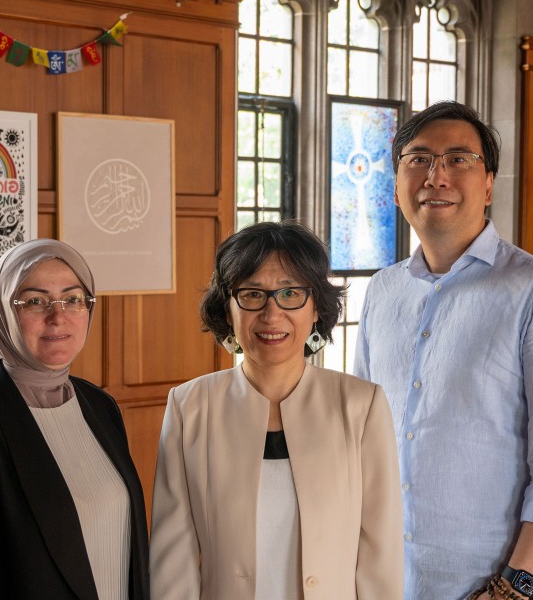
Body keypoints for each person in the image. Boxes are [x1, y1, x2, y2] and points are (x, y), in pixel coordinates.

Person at [354, 101, 533, 600]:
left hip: (497, 589)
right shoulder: (382, 291)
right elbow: (362, 440)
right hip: (389, 583)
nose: (435, 176)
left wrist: (512, 588)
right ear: (396, 182)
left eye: (458, 159)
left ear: (488, 184)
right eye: (418, 159)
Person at [149, 221, 403, 600]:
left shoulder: (361, 406)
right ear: (228, 308)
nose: (271, 313)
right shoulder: (190, 407)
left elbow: (380, 554)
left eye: (290, 293)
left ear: (316, 306)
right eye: (252, 294)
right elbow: (174, 559)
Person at [0, 239, 149, 600]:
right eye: (35, 301)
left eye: (72, 299)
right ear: (3, 311)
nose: (58, 316)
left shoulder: (101, 407)